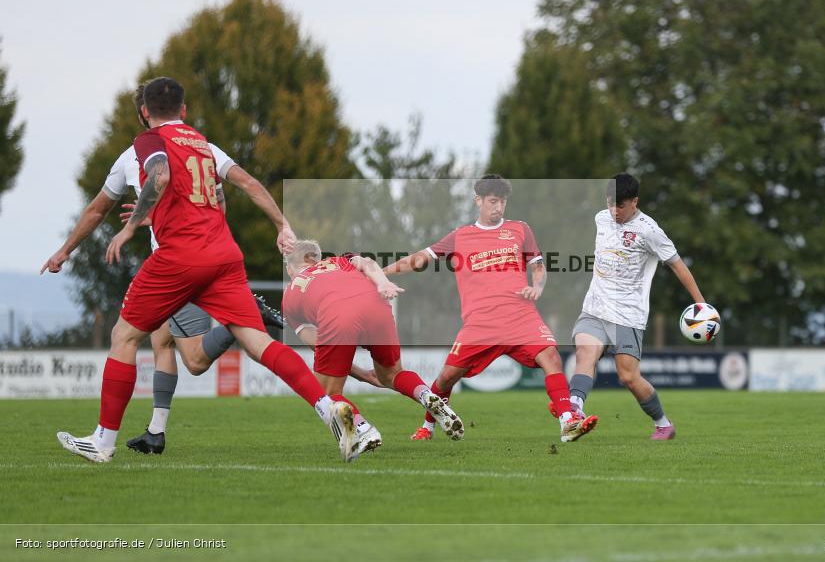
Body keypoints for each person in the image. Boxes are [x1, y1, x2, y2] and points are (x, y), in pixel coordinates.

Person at [56, 77, 357, 463]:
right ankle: (328, 408)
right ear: (183, 110)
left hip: (178, 259)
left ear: (144, 112)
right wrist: (283, 226)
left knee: (126, 337)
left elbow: (147, 183)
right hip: (223, 255)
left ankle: (104, 440)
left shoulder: (146, 143)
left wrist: (121, 230)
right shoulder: (202, 144)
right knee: (257, 344)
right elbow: (243, 186)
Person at [384, 174, 598, 443]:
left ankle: (567, 421)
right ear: (479, 201)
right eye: (493, 201)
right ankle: (428, 426)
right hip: (481, 322)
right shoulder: (461, 236)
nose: (499, 207)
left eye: (503, 201)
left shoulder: (520, 229)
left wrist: (537, 286)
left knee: (551, 356)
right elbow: (419, 259)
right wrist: (381, 273)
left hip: (520, 315)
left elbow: (538, 267)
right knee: (447, 378)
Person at [283, 240, 464, 460]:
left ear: (289, 268)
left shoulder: (290, 294)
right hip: (376, 304)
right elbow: (367, 263)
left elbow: (316, 344)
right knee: (392, 374)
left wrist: (360, 374)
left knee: (327, 393)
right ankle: (426, 396)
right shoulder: (339, 260)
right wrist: (383, 283)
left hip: (337, 314)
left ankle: (363, 429)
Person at [562, 173, 706, 440]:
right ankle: (574, 413)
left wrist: (700, 302)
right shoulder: (601, 218)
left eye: (620, 205)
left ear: (634, 202)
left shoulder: (649, 230)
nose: (614, 211)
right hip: (595, 307)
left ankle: (663, 424)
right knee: (585, 353)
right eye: (610, 204)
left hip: (627, 315)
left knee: (628, 377)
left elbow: (677, 264)